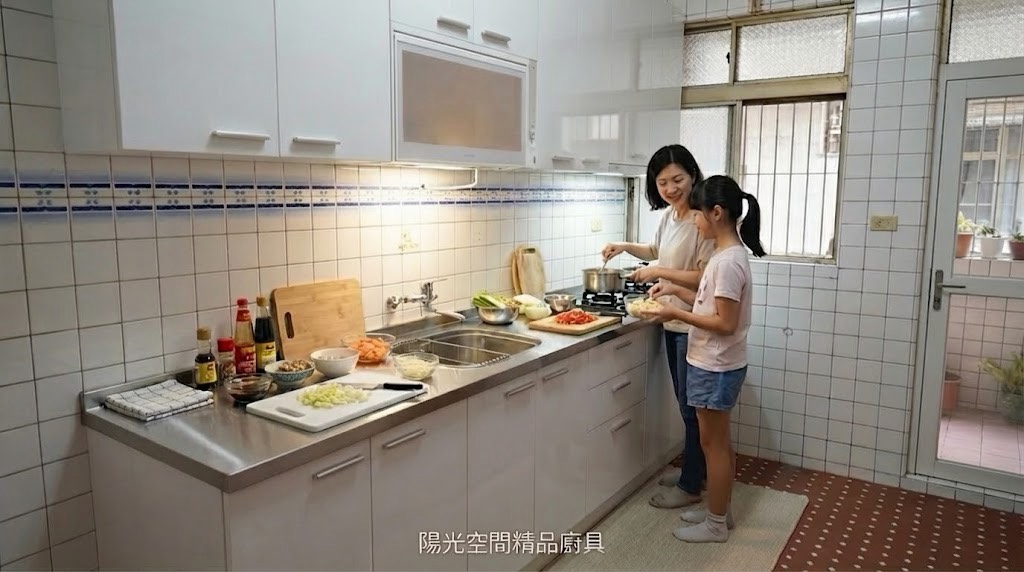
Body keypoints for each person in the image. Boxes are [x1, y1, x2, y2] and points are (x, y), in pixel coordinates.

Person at [638, 174, 766, 543]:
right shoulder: (725, 256)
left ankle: (715, 525)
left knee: (714, 446)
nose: (693, 221)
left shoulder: (727, 263)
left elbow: (724, 323)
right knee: (717, 443)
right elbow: (710, 304)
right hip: (715, 362)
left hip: (716, 364)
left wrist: (674, 313)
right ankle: (720, 512)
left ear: (716, 213)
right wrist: (675, 290)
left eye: (697, 214)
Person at [601, 144, 715, 510]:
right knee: (687, 407)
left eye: (677, 179)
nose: (670, 188)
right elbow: (655, 249)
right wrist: (623, 245)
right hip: (671, 321)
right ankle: (694, 473)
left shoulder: (701, 219)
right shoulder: (670, 216)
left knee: (691, 410)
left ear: (692, 175)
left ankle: (691, 484)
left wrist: (659, 272)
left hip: (692, 326)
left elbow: (704, 277)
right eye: (662, 182)